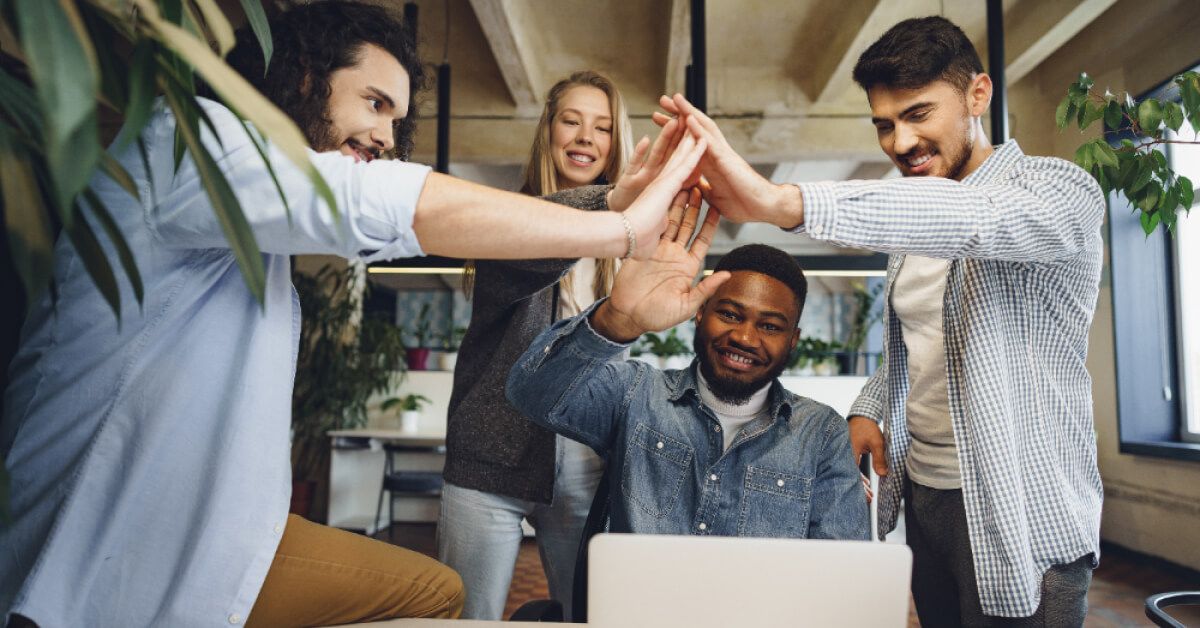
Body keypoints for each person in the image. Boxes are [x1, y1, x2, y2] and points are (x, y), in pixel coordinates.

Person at [0, 3, 707, 626]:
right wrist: (620, 224)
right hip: (102, 555)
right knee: (439, 596)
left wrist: (614, 216)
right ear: (305, 77)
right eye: (375, 104)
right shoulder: (188, 142)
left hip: (211, 536)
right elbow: (378, 204)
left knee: (437, 592)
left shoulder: (253, 229)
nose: (386, 136)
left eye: (396, 120)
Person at [655, 16, 1104, 626]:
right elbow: (923, 345)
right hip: (927, 495)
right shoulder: (910, 228)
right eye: (885, 125)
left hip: (1021, 508)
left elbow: (978, 221)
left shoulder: (1060, 191)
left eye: (919, 114)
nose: (899, 143)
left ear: (978, 95)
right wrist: (870, 403)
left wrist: (783, 202)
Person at [439, 70, 671, 620]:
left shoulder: (628, 246)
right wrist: (612, 205)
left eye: (603, 127)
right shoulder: (504, 221)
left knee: (586, 613)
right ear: (549, 131)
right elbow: (536, 249)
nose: (586, 137)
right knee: (470, 617)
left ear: (615, 143)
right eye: (572, 121)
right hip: (489, 454)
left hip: (586, 456)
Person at [506, 194, 870, 543]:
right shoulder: (636, 394)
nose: (744, 337)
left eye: (770, 326)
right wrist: (617, 320)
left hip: (763, 608)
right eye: (729, 314)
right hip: (644, 605)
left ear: (793, 340)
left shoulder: (821, 434)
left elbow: (842, 562)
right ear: (700, 313)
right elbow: (532, 392)